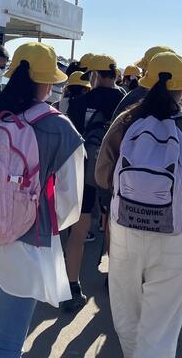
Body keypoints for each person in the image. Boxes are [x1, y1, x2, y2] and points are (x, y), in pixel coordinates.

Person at [0, 42, 85, 357]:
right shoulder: (58, 125)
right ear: (46, 82)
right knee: (8, 341)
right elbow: (70, 200)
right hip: (26, 242)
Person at [95, 52, 182, 358]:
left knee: (126, 312)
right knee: (162, 322)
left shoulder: (125, 122)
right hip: (175, 232)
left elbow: (101, 175)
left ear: (147, 83)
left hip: (125, 227)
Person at [63, 53, 125, 312]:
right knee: (112, 226)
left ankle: (71, 286)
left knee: (78, 230)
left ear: (96, 75)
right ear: (114, 75)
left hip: (83, 170)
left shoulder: (79, 102)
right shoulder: (125, 102)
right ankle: (113, 279)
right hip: (113, 173)